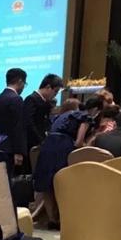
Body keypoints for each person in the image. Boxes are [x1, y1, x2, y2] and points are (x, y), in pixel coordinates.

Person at [33, 95, 104, 229]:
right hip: (62, 147)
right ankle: (63, 219)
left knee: (47, 184)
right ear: (96, 110)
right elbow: (78, 142)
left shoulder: (62, 115)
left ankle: (52, 220)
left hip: (47, 146)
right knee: (63, 182)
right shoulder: (85, 117)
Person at [0, 68, 27, 173]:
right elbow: (18, 127)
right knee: (8, 181)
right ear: (20, 81)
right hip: (10, 150)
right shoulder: (16, 99)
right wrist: (19, 152)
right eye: (25, 83)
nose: (24, 87)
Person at [23, 74, 63, 151]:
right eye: (55, 92)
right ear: (48, 87)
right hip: (32, 143)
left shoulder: (46, 102)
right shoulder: (31, 99)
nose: (55, 95)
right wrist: (40, 140)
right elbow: (29, 123)